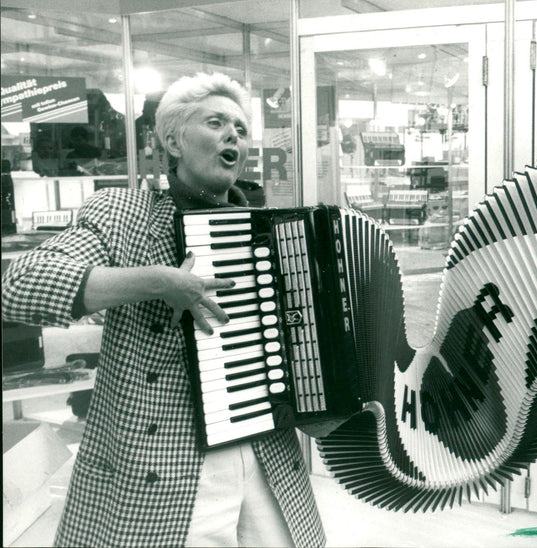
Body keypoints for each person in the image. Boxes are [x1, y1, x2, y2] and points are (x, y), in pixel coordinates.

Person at [2, 72, 326, 548]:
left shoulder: (277, 232)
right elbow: (19, 285)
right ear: (173, 141)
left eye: (240, 128)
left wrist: (323, 404)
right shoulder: (123, 213)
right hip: (164, 462)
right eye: (215, 122)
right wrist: (156, 281)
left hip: (268, 455)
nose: (232, 135)